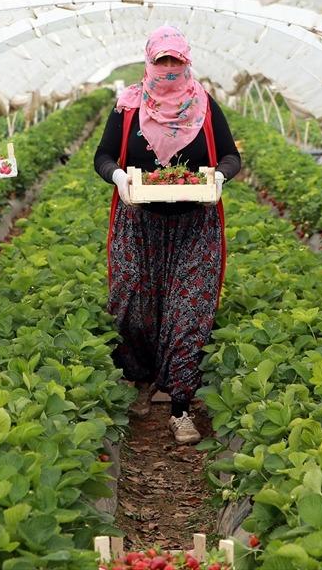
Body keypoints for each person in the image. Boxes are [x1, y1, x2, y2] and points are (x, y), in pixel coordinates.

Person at [94, 25, 241, 445]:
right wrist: (118, 177)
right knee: (132, 303)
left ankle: (180, 406)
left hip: (194, 226)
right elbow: (103, 155)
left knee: (188, 311)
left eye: (176, 60)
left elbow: (231, 155)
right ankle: (140, 380)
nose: (170, 68)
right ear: (150, 62)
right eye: (163, 61)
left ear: (187, 61)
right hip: (139, 224)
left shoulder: (204, 105)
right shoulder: (128, 106)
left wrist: (219, 176)